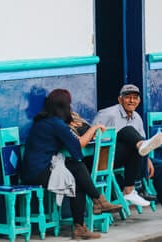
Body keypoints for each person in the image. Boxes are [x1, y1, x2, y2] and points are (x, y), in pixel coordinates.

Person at [20, 89, 116, 239]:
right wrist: (94, 128)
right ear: (65, 106)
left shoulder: (44, 122)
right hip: (37, 173)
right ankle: (98, 200)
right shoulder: (56, 124)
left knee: (78, 181)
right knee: (78, 166)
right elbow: (79, 145)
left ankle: (81, 226)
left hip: (32, 170)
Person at [91, 84, 162, 220]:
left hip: (132, 157)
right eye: (128, 98)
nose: (132, 101)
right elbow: (93, 137)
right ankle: (137, 186)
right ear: (120, 100)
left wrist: (146, 158)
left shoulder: (136, 117)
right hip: (106, 158)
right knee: (128, 132)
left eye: (135, 98)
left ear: (139, 101)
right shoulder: (107, 114)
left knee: (159, 167)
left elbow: (142, 143)